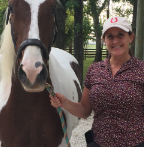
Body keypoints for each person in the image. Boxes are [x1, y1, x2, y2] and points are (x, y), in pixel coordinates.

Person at [50, 16, 144, 147]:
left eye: (120, 35)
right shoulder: (95, 70)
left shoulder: (141, 70)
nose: (115, 41)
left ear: (131, 37)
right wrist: (64, 102)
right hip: (99, 143)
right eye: (110, 36)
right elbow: (84, 111)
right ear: (104, 40)